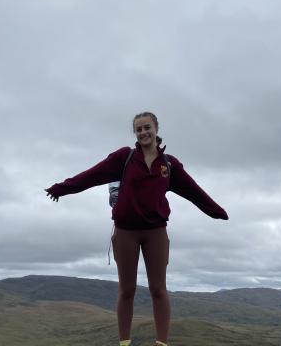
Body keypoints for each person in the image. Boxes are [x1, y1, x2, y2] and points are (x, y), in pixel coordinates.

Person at [45, 111, 228, 346]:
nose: (143, 132)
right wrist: (62, 188)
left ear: (156, 129)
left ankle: (161, 343)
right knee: (127, 290)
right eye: (139, 129)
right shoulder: (125, 158)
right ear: (135, 133)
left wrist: (217, 212)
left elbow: (194, 192)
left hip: (156, 232)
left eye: (147, 128)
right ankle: (125, 343)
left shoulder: (169, 165)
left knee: (158, 290)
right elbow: (92, 175)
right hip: (125, 232)